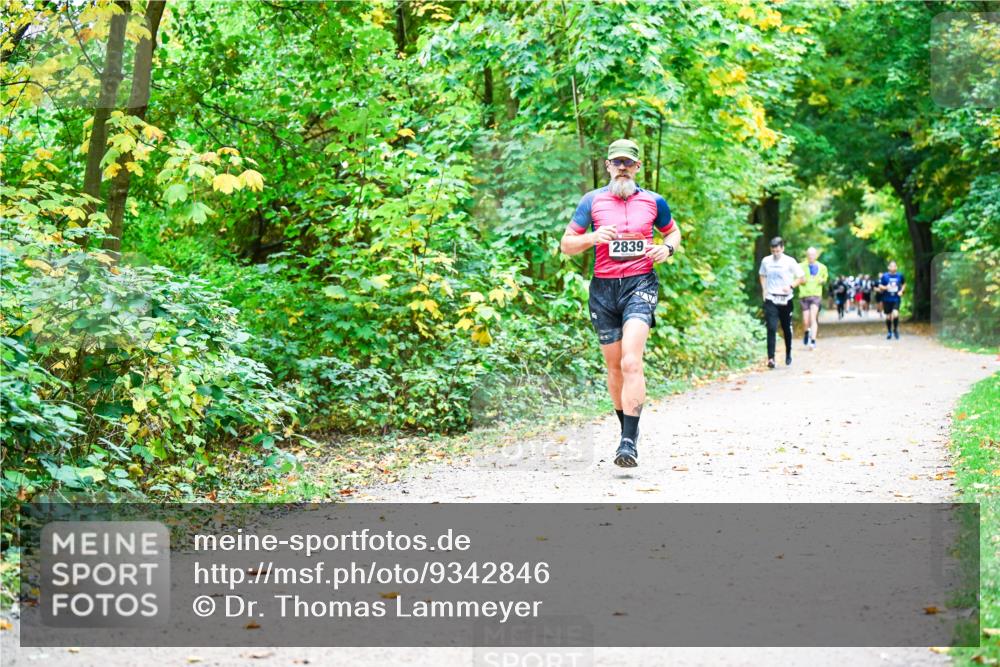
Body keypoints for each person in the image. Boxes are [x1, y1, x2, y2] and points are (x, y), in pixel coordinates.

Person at [560, 139, 681, 468]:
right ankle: (628, 428)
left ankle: (628, 442)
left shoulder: (654, 201)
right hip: (603, 290)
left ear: (638, 167)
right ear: (608, 166)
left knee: (630, 361)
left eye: (628, 162)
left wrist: (666, 249)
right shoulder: (592, 201)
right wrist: (592, 238)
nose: (622, 168)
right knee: (614, 366)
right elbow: (566, 244)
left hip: (640, 284)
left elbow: (673, 232)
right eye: (617, 162)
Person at [758, 237, 804, 369]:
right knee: (771, 327)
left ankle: (788, 352)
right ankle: (771, 358)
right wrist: (764, 289)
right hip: (771, 298)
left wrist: (790, 286)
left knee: (786, 328)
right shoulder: (766, 261)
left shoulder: (790, 261)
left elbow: (801, 278)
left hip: (786, 299)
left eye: (778, 251)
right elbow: (762, 274)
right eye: (773, 251)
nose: (775, 254)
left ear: (782, 249)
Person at [798, 247, 828, 349]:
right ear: (806, 255)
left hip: (816, 295)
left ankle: (813, 341)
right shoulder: (800, 266)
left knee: (813, 317)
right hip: (804, 295)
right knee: (805, 320)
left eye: (813, 254)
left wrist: (822, 281)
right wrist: (801, 280)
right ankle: (806, 332)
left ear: (816, 255)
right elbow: (795, 279)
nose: (811, 256)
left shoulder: (822, 267)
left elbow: (825, 278)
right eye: (809, 254)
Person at [878, 260, 905, 339]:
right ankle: (889, 331)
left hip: (896, 298)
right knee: (888, 316)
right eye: (891, 266)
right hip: (887, 298)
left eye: (894, 266)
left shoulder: (900, 275)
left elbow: (904, 284)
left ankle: (895, 329)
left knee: (895, 314)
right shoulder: (885, 276)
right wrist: (886, 287)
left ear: (896, 267)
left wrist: (901, 291)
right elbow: (880, 286)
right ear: (888, 267)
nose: (893, 267)